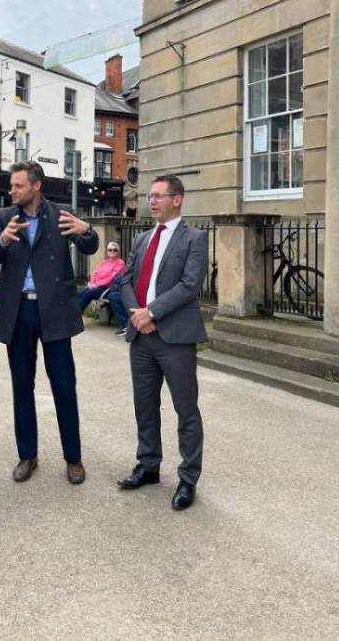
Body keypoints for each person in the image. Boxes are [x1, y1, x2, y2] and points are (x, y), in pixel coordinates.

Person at [0, 161, 99, 485]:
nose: (13, 190)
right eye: (12, 186)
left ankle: (73, 459)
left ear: (36, 186)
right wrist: (4, 240)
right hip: (18, 312)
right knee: (22, 386)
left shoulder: (61, 214)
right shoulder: (5, 217)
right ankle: (27, 455)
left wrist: (87, 230)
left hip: (55, 311)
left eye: (18, 185)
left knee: (64, 386)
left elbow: (89, 246)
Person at [117, 175, 208, 511]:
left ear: (177, 199)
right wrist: (137, 314)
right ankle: (149, 465)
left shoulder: (194, 238)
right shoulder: (142, 238)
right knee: (145, 405)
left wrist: (151, 312)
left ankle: (187, 478)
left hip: (175, 337)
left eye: (158, 196)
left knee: (186, 410)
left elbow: (189, 286)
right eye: (149, 196)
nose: (151, 201)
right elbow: (124, 277)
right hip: (141, 337)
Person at [78, 241, 127, 324]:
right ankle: (72, 315)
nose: (112, 252)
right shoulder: (104, 262)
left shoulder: (120, 263)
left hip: (108, 288)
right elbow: (95, 273)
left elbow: (111, 278)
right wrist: (91, 283)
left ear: (118, 251)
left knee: (88, 294)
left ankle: (75, 318)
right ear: (107, 251)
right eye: (110, 250)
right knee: (80, 294)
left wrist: (95, 285)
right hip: (96, 286)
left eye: (114, 250)